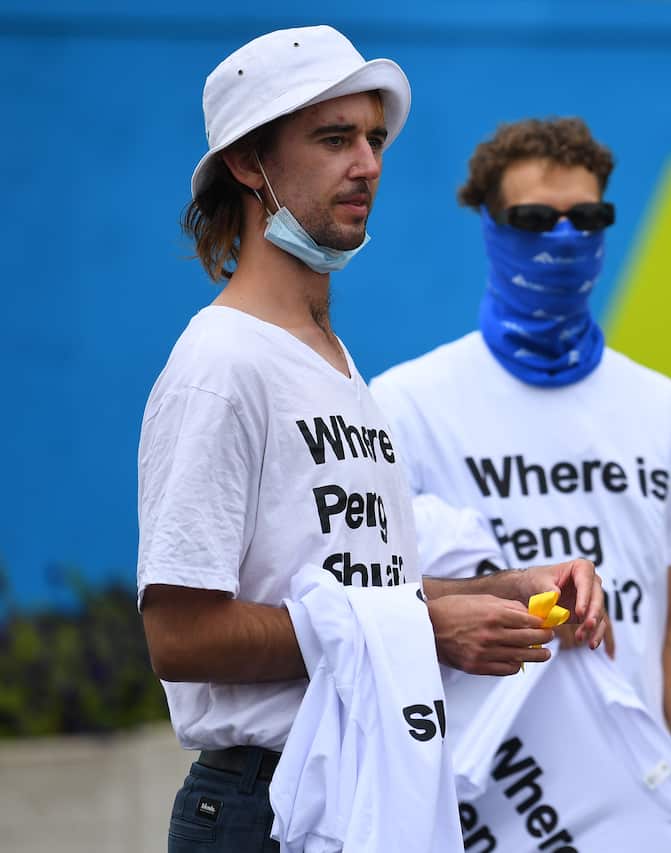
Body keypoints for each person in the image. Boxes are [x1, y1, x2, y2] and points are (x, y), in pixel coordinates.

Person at [137, 30, 605, 852]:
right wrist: (426, 631)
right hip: (261, 804)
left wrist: (501, 592)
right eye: (333, 139)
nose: (368, 164)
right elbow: (180, 635)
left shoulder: (336, 365)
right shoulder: (221, 363)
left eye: (374, 138)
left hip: (356, 789)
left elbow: (352, 589)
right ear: (250, 163)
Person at [370, 116, 671, 851]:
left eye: (587, 219)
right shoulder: (403, 405)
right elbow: (376, 606)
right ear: (490, 225)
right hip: (475, 810)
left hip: (632, 812)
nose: (564, 239)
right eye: (534, 219)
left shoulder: (665, 411)